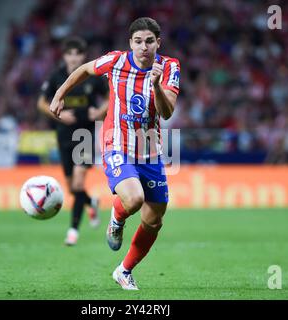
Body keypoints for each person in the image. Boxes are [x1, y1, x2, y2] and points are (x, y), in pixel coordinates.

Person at [49, 17, 180, 290]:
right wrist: (60, 92)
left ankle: (124, 270)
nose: (143, 47)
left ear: (159, 42)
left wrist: (155, 84)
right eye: (138, 41)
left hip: (150, 150)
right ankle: (116, 218)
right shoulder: (116, 61)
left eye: (149, 41)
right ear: (130, 43)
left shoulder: (169, 67)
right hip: (116, 143)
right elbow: (85, 69)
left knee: (154, 219)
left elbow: (167, 112)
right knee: (133, 199)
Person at [38, 37, 109, 246]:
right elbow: (41, 103)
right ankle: (91, 202)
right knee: (71, 188)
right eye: (70, 53)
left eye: (78, 54)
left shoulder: (93, 77)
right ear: (64, 56)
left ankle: (73, 231)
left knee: (78, 182)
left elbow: (110, 97)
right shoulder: (56, 77)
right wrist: (57, 116)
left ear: (83, 56)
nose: (74, 57)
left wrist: (100, 112)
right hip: (63, 135)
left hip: (85, 135)